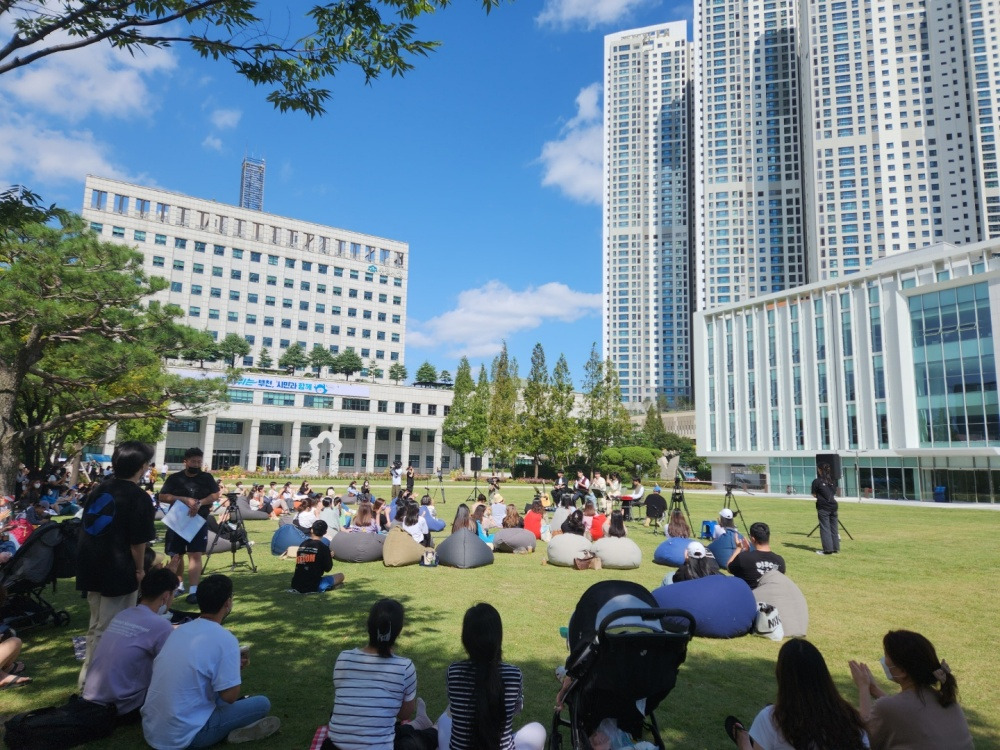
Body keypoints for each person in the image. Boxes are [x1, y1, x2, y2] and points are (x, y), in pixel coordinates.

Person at [142, 575, 279, 748]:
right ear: (227, 602)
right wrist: (233, 670)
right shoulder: (225, 639)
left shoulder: (180, 631)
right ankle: (230, 731)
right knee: (262, 704)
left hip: (153, 729)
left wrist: (229, 667)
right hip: (186, 736)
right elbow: (229, 696)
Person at [76, 440, 156, 692]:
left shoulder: (99, 489)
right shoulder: (138, 497)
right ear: (141, 467)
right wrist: (140, 570)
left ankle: (88, 680)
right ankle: (97, 685)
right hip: (117, 569)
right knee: (111, 629)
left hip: (91, 565)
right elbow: (138, 542)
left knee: (96, 626)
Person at [323, 599, 436, 750]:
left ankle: (420, 723)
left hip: (333, 747)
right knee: (410, 743)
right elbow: (404, 715)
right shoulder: (404, 667)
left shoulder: (344, 658)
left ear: (368, 625)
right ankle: (436, 728)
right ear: (399, 631)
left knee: (376, 725)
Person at [436, 603, 546, 750]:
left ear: (466, 639)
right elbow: (516, 710)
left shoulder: (454, 671)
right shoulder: (513, 674)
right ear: (498, 637)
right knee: (538, 729)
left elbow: (453, 705)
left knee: (444, 720)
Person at [725, 638, 867, 750]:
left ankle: (743, 739)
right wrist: (864, 687)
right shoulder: (851, 719)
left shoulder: (772, 719)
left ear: (782, 677)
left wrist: (744, 744)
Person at [849, 630, 973, 750]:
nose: (884, 660)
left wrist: (863, 687)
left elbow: (864, 739)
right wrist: (874, 690)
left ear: (903, 671)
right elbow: (903, 711)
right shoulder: (946, 700)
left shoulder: (888, 707)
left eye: (886, 655)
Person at [83, 567, 179, 720]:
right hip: (121, 705)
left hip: (91, 695)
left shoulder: (124, 614)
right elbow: (171, 670)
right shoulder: (161, 626)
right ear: (166, 596)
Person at [158, 447, 221, 605]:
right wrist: (183, 499)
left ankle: (194, 590)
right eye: (193, 461)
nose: (196, 464)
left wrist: (200, 503)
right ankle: (178, 585)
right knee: (176, 555)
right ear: (185, 462)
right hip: (177, 520)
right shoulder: (175, 478)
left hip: (198, 520)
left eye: (199, 462)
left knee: (195, 554)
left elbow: (215, 495)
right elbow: (162, 496)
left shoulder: (206, 478)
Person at [727, 522, 786, 589]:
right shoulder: (780, 561)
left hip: (751, 595)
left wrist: (738, 548)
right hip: (772, 594)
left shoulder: (743, 558)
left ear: (753, 539)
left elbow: (729, 567)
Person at [291, 521, 345, 593]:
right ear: (325, 532)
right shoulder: (323, 547)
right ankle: (329, 587)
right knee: (341, 576)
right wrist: (328, 557)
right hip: (314, 585)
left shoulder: (303, 544)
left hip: (296, 584)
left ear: (311, 530)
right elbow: (328, 569)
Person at [811, 470, 840, 555]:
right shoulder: (832, 481)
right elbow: (833, 492)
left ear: (820, 470)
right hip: (833, 506)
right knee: (834, 528)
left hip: (824, 507)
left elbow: (814, 494)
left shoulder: (817, 481)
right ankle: (835, 548)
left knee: (825, 528)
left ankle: (827, 550)